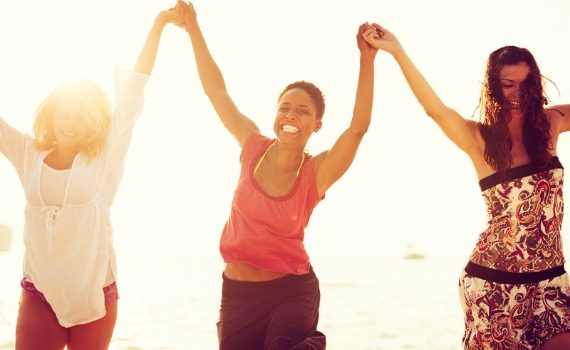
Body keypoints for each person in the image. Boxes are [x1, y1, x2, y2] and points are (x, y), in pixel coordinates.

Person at [174, 2, 378, 349]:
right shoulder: (251, 145)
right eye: (284, 107)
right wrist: (193, 28)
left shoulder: (317, 173)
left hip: (291, 292)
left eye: (302, 111)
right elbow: (216, 91)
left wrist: (366, 60)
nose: (290, 115)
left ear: (316, 125)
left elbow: (357, 128)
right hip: (238, 294)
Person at [362, 24, 570, 349]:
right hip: (494, 282)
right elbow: (435, 109)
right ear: (494, 87)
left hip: (551, 280)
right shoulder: (479, 139)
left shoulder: (551, 123)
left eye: (526, 83)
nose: (517, 93)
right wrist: (397, 51)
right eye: (508, 84)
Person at [0, 4, 184, 350]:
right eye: (65, 114)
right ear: (51, 116)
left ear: (94, 122)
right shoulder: (28, 153)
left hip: (94, 295)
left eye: (81, 117)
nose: (70, 123)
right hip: (39, 292)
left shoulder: (104, 157)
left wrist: (159, 24)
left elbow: (133, 90)